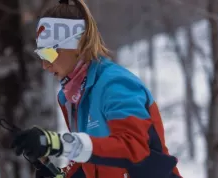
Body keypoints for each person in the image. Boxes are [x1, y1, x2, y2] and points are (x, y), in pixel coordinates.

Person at [10, 0, 182, 178]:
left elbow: (133, 149)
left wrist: (57, 143)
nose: (45, 65)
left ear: (78, 46)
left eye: (49, 53)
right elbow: (93, 158)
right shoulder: (71, 95)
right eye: (41, 54)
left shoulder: (115, 84)